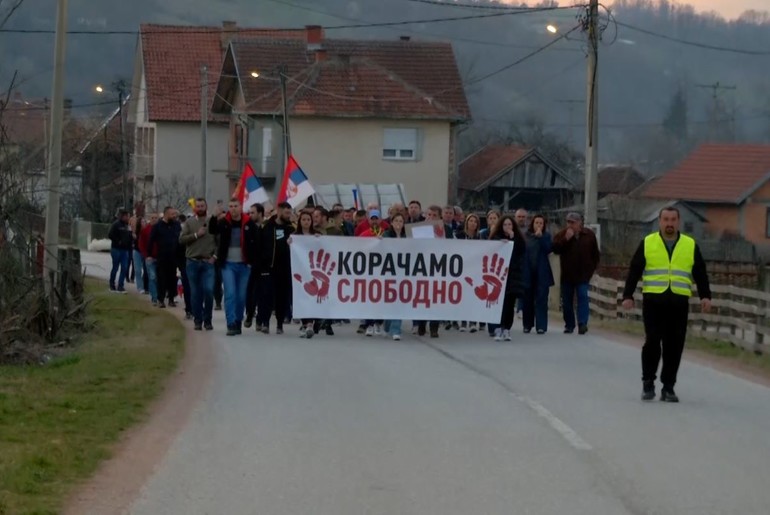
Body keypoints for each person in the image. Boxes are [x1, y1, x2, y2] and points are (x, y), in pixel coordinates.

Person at [621, 207, 712, 403]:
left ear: (678, 222)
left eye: (673, 220)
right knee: (652, 342)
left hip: (678, 302)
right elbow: (635, 270)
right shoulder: (648, 243)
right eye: (665, 219)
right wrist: (627, 295)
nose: (669, 223)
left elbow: (700, 272)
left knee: (674, 345)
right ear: (659, 221)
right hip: (654, 301)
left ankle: (668, 387)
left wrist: (705, 296)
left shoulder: (690, 245)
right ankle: (648, 382)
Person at [211, 198, 258, 336]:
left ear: (241, 207)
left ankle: (238, 320)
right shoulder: (224, 222)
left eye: (235, 206)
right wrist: (214, 215)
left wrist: (252, 262)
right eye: (230, 206)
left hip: (244, 264)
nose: (233, 209)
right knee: (230, 293)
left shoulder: (249, 223)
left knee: (241, 295)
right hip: (228, 264)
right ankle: (230, 322)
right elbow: (212, 230)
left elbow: (257, 243)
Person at [552, 212, 600, 335]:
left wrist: (591, 269)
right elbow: (555, 249)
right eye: (568, 222)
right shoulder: (562, 235)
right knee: (567, 301)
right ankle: (569, 324)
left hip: (583, 275)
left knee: (583, 297)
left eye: (573, 222)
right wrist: (566, 239)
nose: (570, 225)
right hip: (567, 275)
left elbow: (595, 254)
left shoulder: (589, 235)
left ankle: (582, 323)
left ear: (580, 223)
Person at [179, 198, 217, 331]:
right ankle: (198, 320)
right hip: (192, 262)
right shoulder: (189, 222)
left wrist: (215, 256)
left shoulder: (213, 221)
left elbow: (219, 240)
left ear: (206, 206)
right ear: (195, 208)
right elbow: (182, 239)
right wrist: (196, 235)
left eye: (202, 206)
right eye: (198, 206)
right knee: (195, 293)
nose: (200, 208)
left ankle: (208, 320)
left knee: (208, 291)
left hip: (208, 262)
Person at [259, 202, 295, 334]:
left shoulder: (291, 229)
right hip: (269, 267)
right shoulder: (267, 226)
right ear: (279, 211)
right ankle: (265, 322)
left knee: (282, 297)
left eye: (289, 213)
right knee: (266, 296)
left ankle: (280, 323)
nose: (288, 215)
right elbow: (260, 244)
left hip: (284, 268)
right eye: (286, 212)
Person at [489, 214, 526, 341]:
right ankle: (498, 327)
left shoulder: (519, 239)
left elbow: (521, 251)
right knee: (499, 303)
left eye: (510, 224)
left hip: (513, 275)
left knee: (510, 303)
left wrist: (512, 239)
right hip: (498, 276)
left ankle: (507, 328)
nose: (507, 227)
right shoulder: (495, 238)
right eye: (505, 224)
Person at [522, 214, 555, 335]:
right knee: (527, 300)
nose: (539, 225)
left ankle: (541, 325)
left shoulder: (546, 236)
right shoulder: (526, 236)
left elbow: (549, 249)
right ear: (532, 224)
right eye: (537, 223)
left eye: (541, 223)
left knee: (541, 299)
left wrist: (541, 238)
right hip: (528, 272)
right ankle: (527, 324)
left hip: (542, 273)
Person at [148, 206, 181, 308]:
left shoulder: (176, 225)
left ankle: (171, 299)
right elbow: (151, 241)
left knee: (172, 278)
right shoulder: (158, 226)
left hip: (174, 256)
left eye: (175, 214)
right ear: (166, 214)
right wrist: (149, 255)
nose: (174, 216)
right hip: (162, 256)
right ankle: (160, 299)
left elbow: (180, 239)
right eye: (172, 214)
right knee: (161, 278)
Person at [359, 209, 385, 336]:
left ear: (380, 220)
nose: (374, 221)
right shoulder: (364, 235)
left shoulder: (385, 233)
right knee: (369, 297)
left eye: (376, 219)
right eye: (372, 219)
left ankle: (378, 323)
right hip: (368, 271)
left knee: (381, 297)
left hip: (383, 270)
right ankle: (369, 323)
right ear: (368, 220)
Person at [382, 211, 407, 340]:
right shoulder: (386, 235)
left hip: (403, 274)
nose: (398, 223)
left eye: (401, 221)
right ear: (391, 223)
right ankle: (387, 326)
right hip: (388, 272)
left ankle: (396, 330)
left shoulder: (407, 237)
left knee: (399, 301)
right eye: (396, 221)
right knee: (390, 301)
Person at [456, 213, 482, 333]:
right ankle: (463, 322)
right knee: (463, 296)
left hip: (475, 271)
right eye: (470, 221)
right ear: (467, 222)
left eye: (475, 221)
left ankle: (472, 321)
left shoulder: (479, 237)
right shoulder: (460, 235)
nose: (473, 223)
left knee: (473, 296)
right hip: (462, 269)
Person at [244, 203, 265, 330]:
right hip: (250, 264)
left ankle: (260, 319)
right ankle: (250, 313)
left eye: (253, 212)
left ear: (260, 213)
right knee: (250, 291)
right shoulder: (247, 227)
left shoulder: (266, 227)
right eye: (250, 212)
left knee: (262, 292)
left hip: (264, 265)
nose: (250, 215)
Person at [107, 208, 132, 293]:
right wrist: (118, 241)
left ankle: (121, 286)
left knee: (124, 268)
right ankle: (112, 284)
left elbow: (129, 236)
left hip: (125, 250)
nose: (128, 218)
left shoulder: (127, 226)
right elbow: (110, 235)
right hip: (116, 249)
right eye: (127, 216)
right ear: (123, 216)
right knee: (115, 267)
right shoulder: (116, 225)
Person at [139, 212, 159, 304]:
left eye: (156, 218)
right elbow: (141, 244)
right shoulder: (145, 230)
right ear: (149, 219)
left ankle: (159, 296)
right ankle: (154, 297)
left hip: (159, 258)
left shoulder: (160, 230)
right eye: (152, 218)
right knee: (152, 277)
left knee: (158, 277)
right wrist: (146, 256)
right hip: (149, 258)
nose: (154, 219)